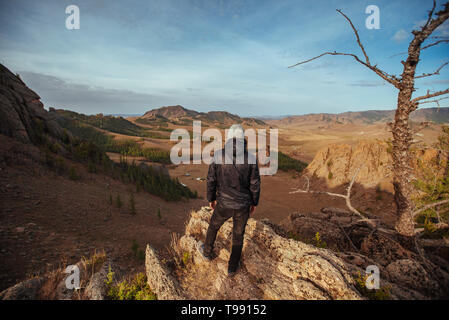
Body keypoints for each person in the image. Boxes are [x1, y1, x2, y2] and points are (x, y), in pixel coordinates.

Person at [200, 124, 261, 276]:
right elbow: (255, 184)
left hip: (223, 203)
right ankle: (232, 268)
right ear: (242, 138)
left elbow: (211, 180)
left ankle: (207, 252)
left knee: (213, 226)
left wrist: (211, 198)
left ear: (228, 138)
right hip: (242, 205)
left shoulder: (218, 155)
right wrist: (254, 203)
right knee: (238, 235)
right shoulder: (251, 158)